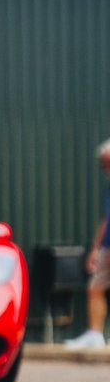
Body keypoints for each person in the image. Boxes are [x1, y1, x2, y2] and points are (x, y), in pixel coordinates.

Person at [65, 138, 110, 349]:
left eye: (107, 162)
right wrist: (95, 249)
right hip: (107, 247)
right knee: (95, 288)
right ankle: (95, 335)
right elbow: (106, 220)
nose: (104, 168)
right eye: (103, 164)